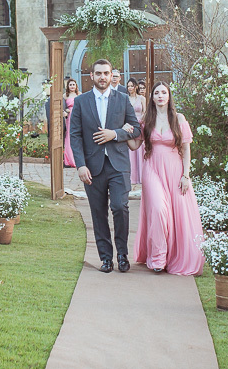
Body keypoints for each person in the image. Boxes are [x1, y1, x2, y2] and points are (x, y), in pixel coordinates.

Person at [70, 59, 139, 274]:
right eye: (98, 73)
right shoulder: (81, 101)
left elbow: (136, 130)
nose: (102, 77)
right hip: (93, 167)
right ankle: (106, 258)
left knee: (120, 207)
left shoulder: (123, 99)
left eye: (106, 73)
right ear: (91, 76)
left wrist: (115, 134)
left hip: (118, 165)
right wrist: (80, 165)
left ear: (111, 76)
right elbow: (75, 136)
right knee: (98, 213)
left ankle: (122, 254)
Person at [130, 82, 203, 275]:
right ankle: (157, 259)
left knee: (177, 213)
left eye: (164, 92)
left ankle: (174, 256)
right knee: (158, 209)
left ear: (169, 96)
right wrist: (124, 131)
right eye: (157, 93)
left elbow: (186, 149)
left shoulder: (179, 119)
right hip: (152, 168)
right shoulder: (146, 120)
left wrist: (186, 175)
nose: (160, 95)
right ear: (152, 97)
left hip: (175, 170)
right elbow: (134, 146)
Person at [126, 78, 145, 187]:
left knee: (140, 150)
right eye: (128, 86)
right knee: (131, 151)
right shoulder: (126, 99)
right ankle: (132, 176)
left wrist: (141, 121)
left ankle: (141, 176)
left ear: (136, 86)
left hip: (140, 124)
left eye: (132, 86)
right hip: (130, 125)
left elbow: (145, 112)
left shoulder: (141, 98)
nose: (130, 88)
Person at [62, 77, 79, 168]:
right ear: (68, 86)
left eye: (73, 84)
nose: (72, 86)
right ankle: (68, 160)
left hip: (77, 116)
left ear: (76, 86)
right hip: (69, 118)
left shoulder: (79, 94)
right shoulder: (65, 96)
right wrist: (65, 111)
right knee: (68, 136)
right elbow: (62, 106)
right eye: (70, 85)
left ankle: (77, 159)